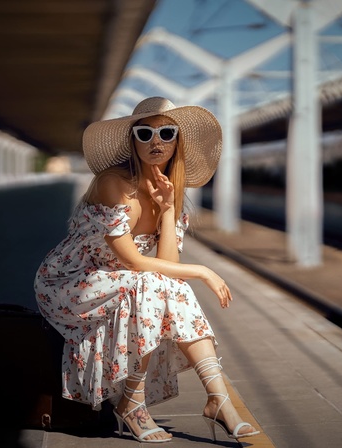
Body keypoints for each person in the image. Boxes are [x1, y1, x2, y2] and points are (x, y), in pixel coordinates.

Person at [34, 97, 259, 443]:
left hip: (124, 283)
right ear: (133, 140)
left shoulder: (171, 193)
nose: (156, 141)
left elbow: (166, 270)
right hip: (71, 283)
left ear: (176, 142)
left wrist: (167, 209)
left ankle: (218, 398)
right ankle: (133, 404)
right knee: (151, 284)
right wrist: (204, 271)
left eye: (166, 133)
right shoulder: (114, 183)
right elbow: (133, 262)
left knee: (160, 286)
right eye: (145, 133)